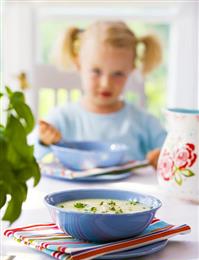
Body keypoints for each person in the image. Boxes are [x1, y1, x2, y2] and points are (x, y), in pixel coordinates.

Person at [35, 20, 166, 168]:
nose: (106, 83)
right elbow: (30, 156)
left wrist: (162, 158)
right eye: (96, 71)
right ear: (78, 64)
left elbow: (174, 152)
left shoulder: (144, 122)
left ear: (131, 69)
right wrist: (43, 141)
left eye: (118, 74)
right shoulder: (62, 119)